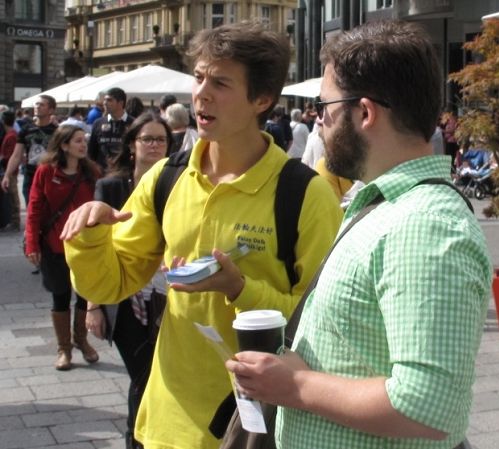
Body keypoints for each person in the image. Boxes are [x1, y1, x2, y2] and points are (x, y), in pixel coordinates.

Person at [61, 21, 343, 449]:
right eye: (199, 77)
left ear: (262, 99)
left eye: (221, 82)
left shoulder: (304, 194)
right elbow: (109, 282)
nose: (201, 93)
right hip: (166, 420)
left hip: (258, 426)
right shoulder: (167, 178)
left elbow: (326, 329)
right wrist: (91, 236)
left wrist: (240, 288)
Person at [226, 20, 492, 449]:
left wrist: (296, 386)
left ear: (365, 113)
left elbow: (428, 403)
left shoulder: (422, 224)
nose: (319, 121)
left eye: (325, 105)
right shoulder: (387, 206)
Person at [85, 112, 173, 449]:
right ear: (132, 146)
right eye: (147, 139)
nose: (154, 145)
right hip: (124, 300)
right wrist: (92, 305)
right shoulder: (111, 186)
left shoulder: (176, 184)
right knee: (142, 375)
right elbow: (95, 247)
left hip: (168, 296)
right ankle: (136, 439)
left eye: (161, 139)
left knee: (158, 373)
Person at [25, 125, 101, 370]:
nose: (83, 145)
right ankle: (64, 348)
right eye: (78, 141)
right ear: (64, 145)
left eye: (84, 140)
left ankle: (82, 340)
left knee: (84, 295)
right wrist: (31, 243)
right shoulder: (46, 172)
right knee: (60, 296)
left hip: (85, 248)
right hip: (55, 246)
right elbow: (34, 209)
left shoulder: (91, 173)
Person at [1, 95, 58, 206]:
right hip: (30, 176)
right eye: (36, 104)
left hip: (50, 176)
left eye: (42, 104)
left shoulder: (57, 132)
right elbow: (16, 155)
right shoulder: (26, 130)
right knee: (31, 208)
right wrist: (7, 175)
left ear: (51, 110)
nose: (37, 106)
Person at [87, 87, 135, 172]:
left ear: (120, 103)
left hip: (125, 173)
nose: (105, 103)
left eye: (109, 100)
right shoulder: (98, 123)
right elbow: (91, 152)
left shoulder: (134, 124)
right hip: (102, 174)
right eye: (104, 100)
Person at [0, 111, 21, 231]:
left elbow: (11, 155)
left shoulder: (11, 135)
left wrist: (2, 159)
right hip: (7, 169)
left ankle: (16, 221)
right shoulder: (10, 134)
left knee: (13, 195)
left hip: (10, 170)